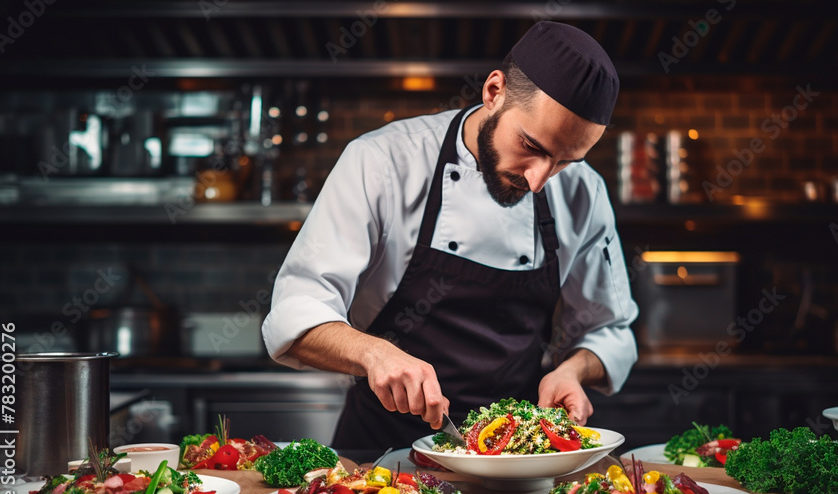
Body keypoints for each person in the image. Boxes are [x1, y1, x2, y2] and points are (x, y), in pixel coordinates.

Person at [262, 21, 638, 450]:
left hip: (515, 458)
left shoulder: (583, 192)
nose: (539, 180)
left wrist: (573, 370)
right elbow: (296, 309)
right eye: (532, 147)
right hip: (381, 455)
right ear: (494, 92)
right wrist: (374, 353)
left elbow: (610, 329)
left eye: (565, 160)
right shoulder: (383, 161)